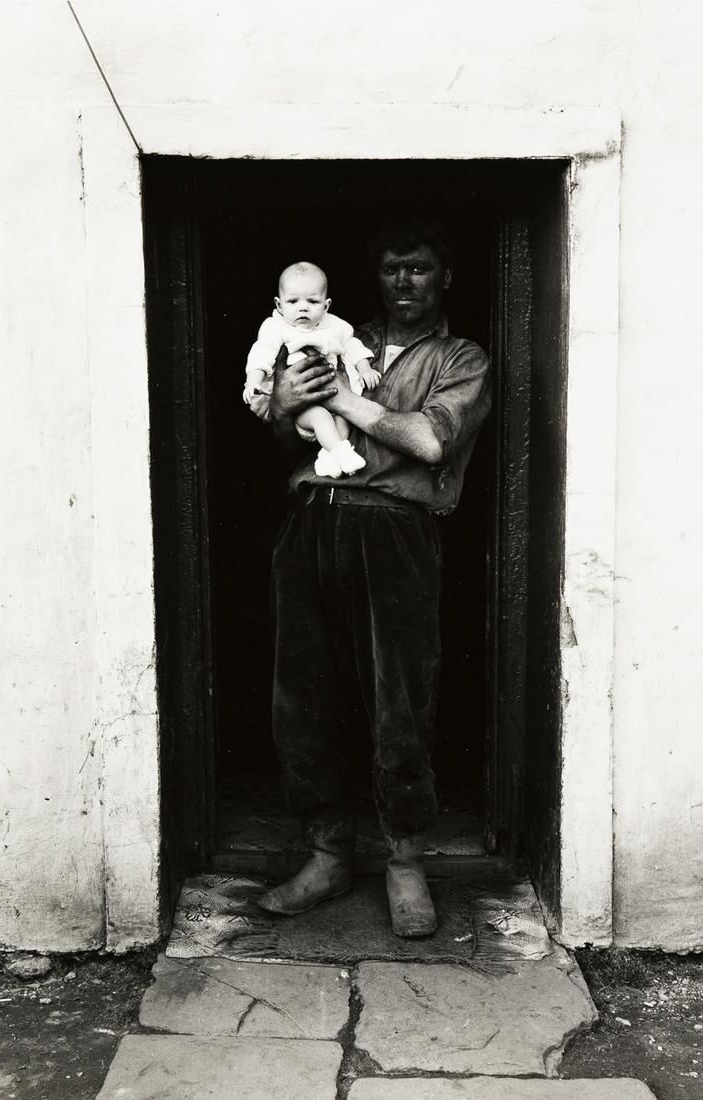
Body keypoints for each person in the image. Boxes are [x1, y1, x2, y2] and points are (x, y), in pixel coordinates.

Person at [255, 219, 491, 937]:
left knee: (400, 697)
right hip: (313, 520)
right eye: (392, 269)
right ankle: (327, 856)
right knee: (304, 694)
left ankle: (404, 863)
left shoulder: (460, 356)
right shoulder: (333, 333)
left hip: (395, 529)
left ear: (444, 277)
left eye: (418, 267)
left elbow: (428, 440)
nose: (404, 281)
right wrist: (287, 404)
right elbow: (282, 436)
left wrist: (342, 399)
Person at [243, 261, 380, 477]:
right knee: (321, 417)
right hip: (300, 406)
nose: (303, 307)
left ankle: (330, 457)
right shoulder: (276, 327)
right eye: (293, 301)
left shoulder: (334, 325)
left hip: (334, 397)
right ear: (279, 305)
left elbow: (352, 346)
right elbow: (261, 354)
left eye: (313, 301)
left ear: (326, 306)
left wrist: (365, 369)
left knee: (344, 417)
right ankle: (342, 453)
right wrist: (253, 381)